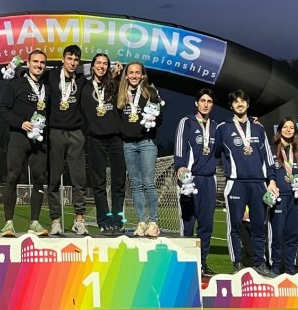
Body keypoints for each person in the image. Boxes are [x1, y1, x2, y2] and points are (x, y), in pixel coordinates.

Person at [215, 89, 278, 278]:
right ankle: (237, 264)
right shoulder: (223, 128)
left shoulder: (258, 128)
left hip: (259, 183)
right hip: (235, 183)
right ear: (231, 106)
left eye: (243, 101)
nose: (240, 104)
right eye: (236, 102)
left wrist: (272, 180)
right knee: (234, 226)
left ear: (248, 104)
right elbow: (216, 152)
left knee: (260, 225)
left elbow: (268, 156)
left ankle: (260, 262)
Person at [0, 50, 50, 237]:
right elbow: (3, 110)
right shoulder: (16, 84)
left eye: (42, 62)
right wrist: (20, 123)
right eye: (35, 61)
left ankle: (35, 222)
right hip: (19, 137)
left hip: (39, 140)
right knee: (13, 177)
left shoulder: (47, 86)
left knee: (39, 179)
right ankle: (9, 223)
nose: (39, 65)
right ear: (28, 63)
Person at [45, 45, 89, 235]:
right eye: (69, 58)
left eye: (76, 60)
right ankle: (55, 220)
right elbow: (31, 74)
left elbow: (100, 76)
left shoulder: (81, 79)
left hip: (76, 132)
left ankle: (79, 220)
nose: (72, 63)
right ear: (63, 59)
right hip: (55, 131)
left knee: (79, 178)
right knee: (54, 177)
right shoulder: (52, 76)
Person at [174, 88, 218, 276]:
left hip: (209, 179)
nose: (206, 104)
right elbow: (179, 146)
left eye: (209, 101)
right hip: (190, 180)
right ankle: (185, 263)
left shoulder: (217, 126)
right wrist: (180, 167)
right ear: (196, 103)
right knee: (188, 222)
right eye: (202, 101)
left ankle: (202, 262)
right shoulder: (187, 122)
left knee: (206, 224)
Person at [81, 53, 126, 235]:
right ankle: (104, 221)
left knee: (118, 182)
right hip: (95, 139)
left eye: (105, 63)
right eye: (98, 63)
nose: (101, 66)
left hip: (116, 138)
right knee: (98, 183)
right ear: (92, 66)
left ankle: (117, 221)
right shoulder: (84, 87)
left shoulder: (114, 85)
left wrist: (118, 74)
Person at [116, 62, 163, 237]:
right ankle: (141, 222)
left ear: (143, 75)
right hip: (128, 143)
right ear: (126, 75)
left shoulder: (150, 92)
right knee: (135, 185)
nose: (134, 76)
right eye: (131, 73)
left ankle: (153, 222)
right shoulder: (121, 93)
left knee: (148, 183)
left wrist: (153, 121)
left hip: (146, 142)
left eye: (138, 73)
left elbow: (160, 117)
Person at [268, 117, 298, 275]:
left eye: (291, 128)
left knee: (293, 235)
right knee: (277, 235)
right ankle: (275, 267)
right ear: (279, 130)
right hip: (279, 198)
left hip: (295, 199)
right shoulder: (271, 149)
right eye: (285, 127)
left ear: (295, 131)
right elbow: (267, 173)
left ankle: (290, 268)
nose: (288, 130)